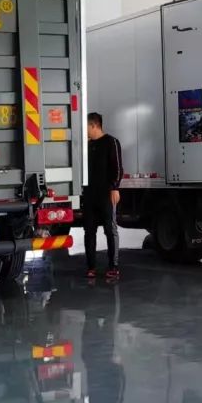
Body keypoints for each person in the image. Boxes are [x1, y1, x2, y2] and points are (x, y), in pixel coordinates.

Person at [84, 112, 122, 279]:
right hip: (89, 194)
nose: (84, 130)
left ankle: (113, 266)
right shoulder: (86, 145)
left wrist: (115, 187)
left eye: (86, 127)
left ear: (94, 125)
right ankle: (91, 267)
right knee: (89, 231)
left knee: (110, 229)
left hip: (106, 193)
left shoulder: (111, 142)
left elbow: (118, 167)